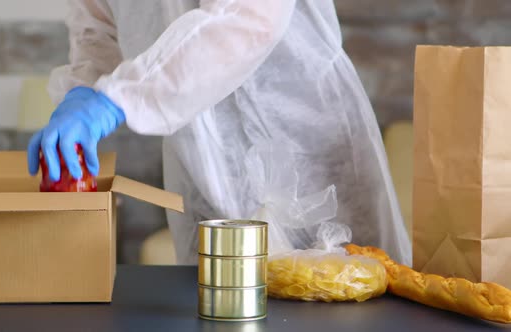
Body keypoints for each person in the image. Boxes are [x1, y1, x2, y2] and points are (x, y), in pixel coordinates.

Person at [28, 0, 411, 265]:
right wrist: (82, 89)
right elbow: (97, 28)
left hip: (301, 143)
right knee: (216, 304)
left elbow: (249, 17)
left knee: (340, 294)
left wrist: (115, 99)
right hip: (200, 160)